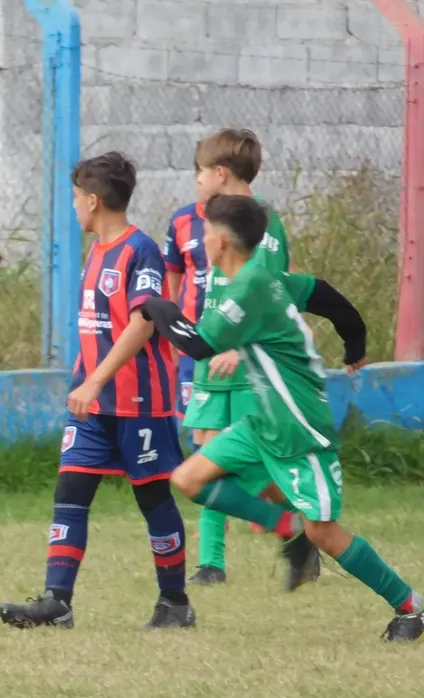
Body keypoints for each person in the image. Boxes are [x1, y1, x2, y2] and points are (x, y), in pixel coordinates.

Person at [141, 193, 424, 642]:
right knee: (189, 479)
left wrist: (156, 306)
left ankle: (411, 606)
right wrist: (354, 340)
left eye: (206, 231)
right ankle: (287, 528)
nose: (202, 239)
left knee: (327, 533)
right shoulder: (252, 280)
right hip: (263, 422)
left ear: (220, 241)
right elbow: (324, 293)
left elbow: (197, 345)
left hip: (298, 427)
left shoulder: (252, 287)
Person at [0, 152, 194, 631]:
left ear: (92, 200)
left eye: (75, 199)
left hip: (139, 404)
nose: (73, 208)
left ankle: (175, 604)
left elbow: (143, 322)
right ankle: (56, 601)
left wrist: (97, 379)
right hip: (92, 405)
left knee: (153, 501)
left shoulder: (139, 250)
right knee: (71, 491)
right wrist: (84, 383)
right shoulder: (96, 252)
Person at [162, 128, 312, 587]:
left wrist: (237, 344)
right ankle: (212, 562)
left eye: (200, 172)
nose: (196, 181)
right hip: (212, 358)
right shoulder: (203, 221)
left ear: (219, 173)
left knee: (256, 465)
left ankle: (296, 530)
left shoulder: (266, 225)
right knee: (206, 453)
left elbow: (272, 296)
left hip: (248, 362)